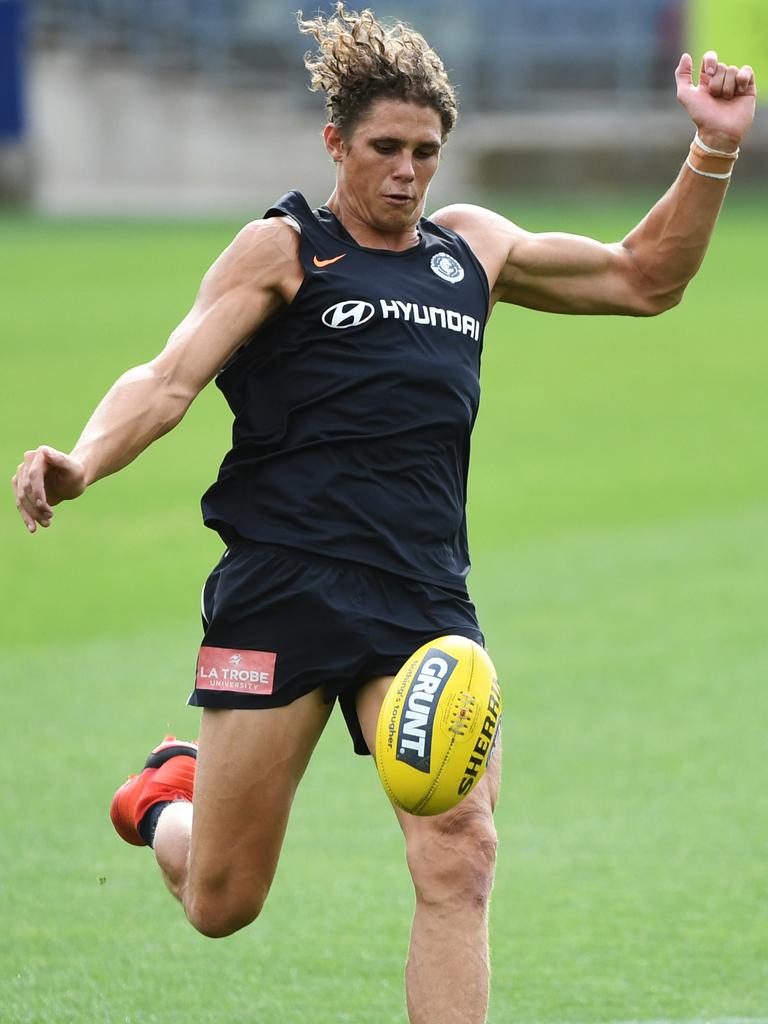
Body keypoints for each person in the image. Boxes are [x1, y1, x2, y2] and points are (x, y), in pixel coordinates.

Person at [11, 6, 756, 1023]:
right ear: (336, 144)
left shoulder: (472, 251)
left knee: (462, 851)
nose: (407, 171)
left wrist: (711, 147)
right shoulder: (282, 252)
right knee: (222, 901)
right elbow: (169, 377)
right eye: (385, 149)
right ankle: (168, 802)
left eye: (425, 152)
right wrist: (82, 460)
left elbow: (642, 278)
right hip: (281, 588)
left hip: (420, 602)